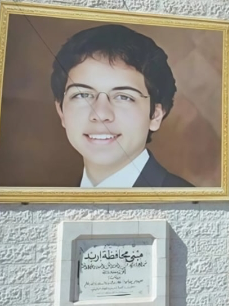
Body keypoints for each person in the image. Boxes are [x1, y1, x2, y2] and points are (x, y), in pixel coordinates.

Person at [50, 24, 194, 188]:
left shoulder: (190, 201)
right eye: (82, 95)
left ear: (155, 115)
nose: (100, 114)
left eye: (123, 97)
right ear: (61, 111)